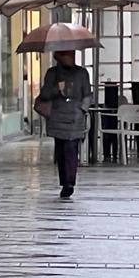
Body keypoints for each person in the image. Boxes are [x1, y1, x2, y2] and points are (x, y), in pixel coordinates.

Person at [36, 50, 92, 199]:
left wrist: (82, 110)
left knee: (71, 148)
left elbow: (87, 94)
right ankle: (64, 181)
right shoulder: (52, 73)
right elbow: (44, 95)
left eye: (73, 54)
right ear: (59, 57)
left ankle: (69, 183)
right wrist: (57, 89)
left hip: (75, 117)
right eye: (67, 55)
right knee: (61, 150)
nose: (71, 57)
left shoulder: (81, 73)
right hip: (58, 117)